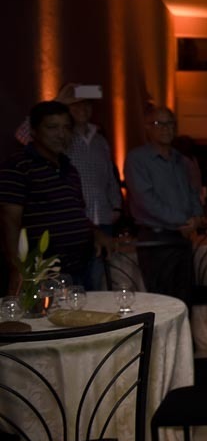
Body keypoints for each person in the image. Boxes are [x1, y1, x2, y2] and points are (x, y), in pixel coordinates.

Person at [0, 101, 111, 292]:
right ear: (34, 131)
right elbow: (9, 220)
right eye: (52, 127)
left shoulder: (69, 168)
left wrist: (95, 232)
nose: (61, 134)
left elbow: (76, 212)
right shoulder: (18, 166)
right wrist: (17, 268)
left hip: (80, 268)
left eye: (66, 128)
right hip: (41, 273)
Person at [124, 106, 202, 306]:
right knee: (162, 302)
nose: (166, 128)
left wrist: (196, 217)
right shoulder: (137, 159)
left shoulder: (180, 159)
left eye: (170, 123)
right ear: (147, 127)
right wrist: (183, 221)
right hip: (156, 239)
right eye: (159, 123)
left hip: (182, 237)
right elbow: (145, 200)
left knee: (184, 299)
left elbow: (192, 191)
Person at [60, 83, 123, 289]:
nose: (83, 109)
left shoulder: (100, 140)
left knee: (97, 281)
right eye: (76, 104)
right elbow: (23, 134)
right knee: (73, 281)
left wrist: (116, 206)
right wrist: (59, 101)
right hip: (74, 220)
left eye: (87, 104)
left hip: (103, 218)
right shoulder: (61, 137)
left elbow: (110, 176)